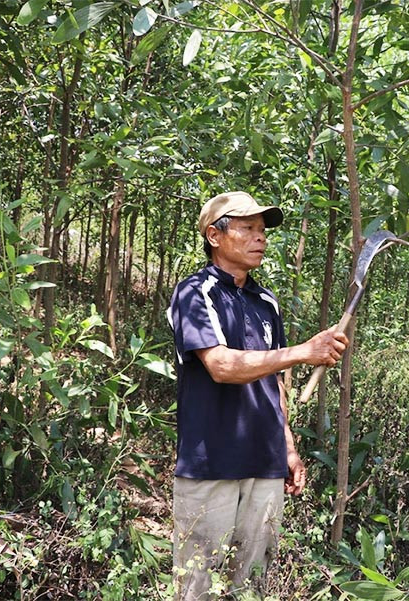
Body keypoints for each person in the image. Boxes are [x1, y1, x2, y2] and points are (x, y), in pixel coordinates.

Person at [167, 191, 349, 600]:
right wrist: (304, 351)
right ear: (215, 235)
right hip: (210, 462)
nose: (260, 238)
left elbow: (275, 381)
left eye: (262, 231)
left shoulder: (266, 301)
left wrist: (288, 448)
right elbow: (221, 365)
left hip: (264, 463)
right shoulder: (195, 293)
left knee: (252, 583)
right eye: (247, 228)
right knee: (197, 584)